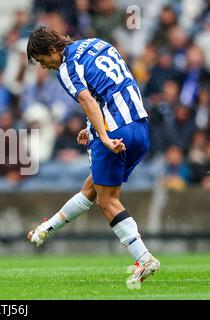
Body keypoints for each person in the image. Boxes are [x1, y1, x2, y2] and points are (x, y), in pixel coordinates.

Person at [26, 26, 160, 286]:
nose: (45, 68)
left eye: (44, 61)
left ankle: (144, 259)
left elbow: (88, 101)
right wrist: (92, 129)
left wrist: (104, 136)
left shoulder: (66, 66)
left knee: (107, 201)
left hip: (115, 129)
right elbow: (112, 84)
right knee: (94, 188)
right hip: (140, 125)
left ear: (52, 49)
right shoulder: (96, 43)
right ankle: (45, 230)